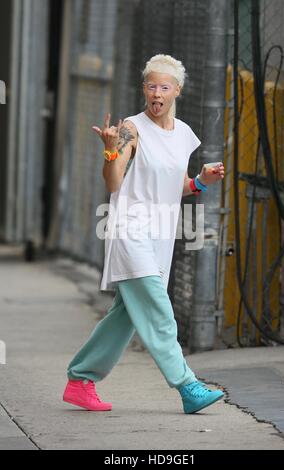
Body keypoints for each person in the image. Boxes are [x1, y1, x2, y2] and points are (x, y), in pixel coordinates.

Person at [62, 54, 225, 414]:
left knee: (125, 315)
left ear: (177, 90)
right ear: (144, 89)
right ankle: (187, 385)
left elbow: (170, 185)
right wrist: (109, 151)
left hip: (160, 237)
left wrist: (200, 181)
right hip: (129, 231)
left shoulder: (184, 135)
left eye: (164, 87)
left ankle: (80, 379)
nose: (156, 93)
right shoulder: (129, 130)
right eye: (150, 85)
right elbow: (114, 182)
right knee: (157, 309)